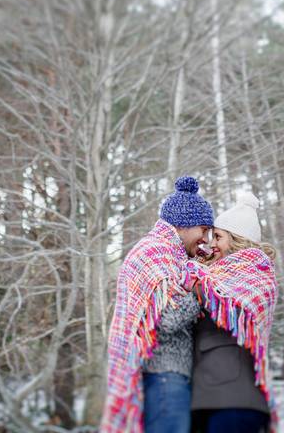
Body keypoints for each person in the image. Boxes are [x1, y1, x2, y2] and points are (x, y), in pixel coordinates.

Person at [101, 176, 213, 433]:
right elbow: (168, 319)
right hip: (165, 375)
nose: (205, 239)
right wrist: (200, 290)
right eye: (203, 230)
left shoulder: (167, 254)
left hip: (166, 376)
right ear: (184, 224)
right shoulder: (157, 254)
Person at [186, 192, 279, 433]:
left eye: (218, 237)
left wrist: (191, 273)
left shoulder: (255, 271)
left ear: (237, 239)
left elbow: (218, 295)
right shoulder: (213, 275)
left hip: (235, 398)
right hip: (205, 397)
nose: (211, 244)